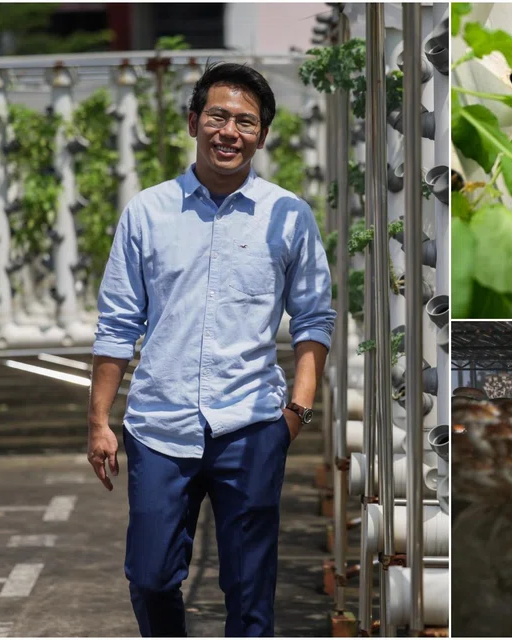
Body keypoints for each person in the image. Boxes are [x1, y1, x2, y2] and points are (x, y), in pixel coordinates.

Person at [86, 62, 335, 637]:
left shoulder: (288, 216)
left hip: (251, 423)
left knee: (250, 595)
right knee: (149, 577)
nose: (230, 132)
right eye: (218, 116)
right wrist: (99, 419)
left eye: (245, 122)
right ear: (194, 121)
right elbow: (118, 323)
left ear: (262, 135)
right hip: (159, 426)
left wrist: (295, 412)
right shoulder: (149, 212)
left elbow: (314, 317)